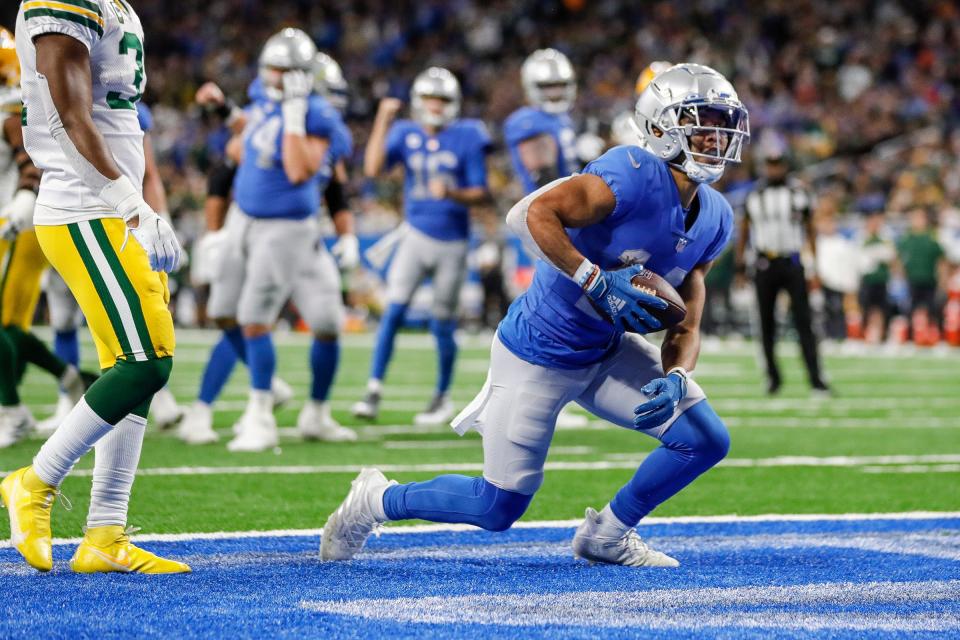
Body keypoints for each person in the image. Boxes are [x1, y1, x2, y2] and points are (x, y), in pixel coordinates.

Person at [321, 63, 749, 568]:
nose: (715, 138)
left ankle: (607, 535)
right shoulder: (629, 176)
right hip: (540, 350)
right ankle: (375, 498)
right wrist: (595, 279)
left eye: (723, 125)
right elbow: (530, 214)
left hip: (607, 351)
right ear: (661, 127)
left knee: (703, 439)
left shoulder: (717, 215)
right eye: (702, 125)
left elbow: (689, 306)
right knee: (497, 506)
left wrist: (678, 372)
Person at [3, 0, 187, 573]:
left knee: (132, 373)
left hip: (110, 205)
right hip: (87, 207)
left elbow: (117, 116)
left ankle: (104, 534)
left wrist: (142, 206)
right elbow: (67, 115)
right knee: (147, 362)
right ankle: (33, 482)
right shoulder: (65, 0)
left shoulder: (116, 5)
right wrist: (131, 206)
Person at [178, 47, 358, 447]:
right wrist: (214, 231)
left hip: (299, 230)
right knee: (231, 314)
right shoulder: (274, 110)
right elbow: (234, 154)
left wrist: (347, 235)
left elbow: (329, 185)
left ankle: (309, 413)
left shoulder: (317, 124)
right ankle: (255, 398)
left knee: (324, 322)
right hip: (256, 224)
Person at [352, 67, 492, 425]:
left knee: (442, 323)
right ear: (418, 100)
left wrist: (453, 193)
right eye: (430, 97)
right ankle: (373, 390)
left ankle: (442, 396)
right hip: (414, 234)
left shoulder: (468, 134)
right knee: (393, 310)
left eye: (442, 99)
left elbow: (482, 191)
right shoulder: (404, 131)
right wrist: (383, 118)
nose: (435, 105)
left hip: (453, 242)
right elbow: (372, 168)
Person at [35, 101, 183, 435]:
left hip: (110, 217)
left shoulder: (116, 98)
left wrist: (158, 216)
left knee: (136, 333)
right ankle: (66, 400)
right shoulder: (52, 83)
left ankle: (158, 400)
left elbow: (149, 172)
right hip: (72, 213)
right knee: (66, 319)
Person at [503, 48, 589, 428]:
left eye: (560, 86)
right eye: (547, 87)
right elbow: (543, 174)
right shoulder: (527, 121)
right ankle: (544, 398)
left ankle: (547, 396)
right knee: (554, 311)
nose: (554, 94)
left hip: (566, 220)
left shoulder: (564, 120)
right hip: (548, 221)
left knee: (566, 310)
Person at [735, 149, 830, 395]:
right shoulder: (754, 195)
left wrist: (815, 265)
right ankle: (773, 378)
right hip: (764, 263)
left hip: (792, 261)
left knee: (804, 322)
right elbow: (744, 231)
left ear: (786, 166)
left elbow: (810, 230)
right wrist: (740, 267)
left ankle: (816, 379)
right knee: (765, 325)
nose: (774, 169)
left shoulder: (799, 193)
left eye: (777, 164)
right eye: (770, 164)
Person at [897, 207, 947, 336]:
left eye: (919, 218)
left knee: (933, 309)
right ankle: (911, 337)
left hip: (929, 279)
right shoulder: (906, 239)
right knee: (910, 310)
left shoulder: (932, 238)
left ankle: (936, 336)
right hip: (912, 280)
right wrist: (901, 277)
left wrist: (942, 280)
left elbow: (941, 261)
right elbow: (898, 260)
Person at [858, 210, 895, 343]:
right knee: (866, 307)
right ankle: (866, 333)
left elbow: (891, 256)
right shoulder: (862, 238)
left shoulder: (884, 238)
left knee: (880, 308)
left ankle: (881, 333)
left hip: (881, 280)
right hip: (867, 280)